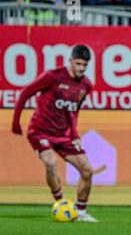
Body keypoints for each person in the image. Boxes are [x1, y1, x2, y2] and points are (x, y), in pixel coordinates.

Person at [11, 45, 98, 223]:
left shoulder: (86, 85)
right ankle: (61, 203)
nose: (81, 68)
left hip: (64, 135)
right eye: (78, 64)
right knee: (50, 163)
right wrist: (16, 121)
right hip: (40, 131)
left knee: (87, 171)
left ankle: (81, 212)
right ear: (71, 61)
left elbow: (74, 112)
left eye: (84, 65)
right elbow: (25, 93)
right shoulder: (53, 76)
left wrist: (74, 133)